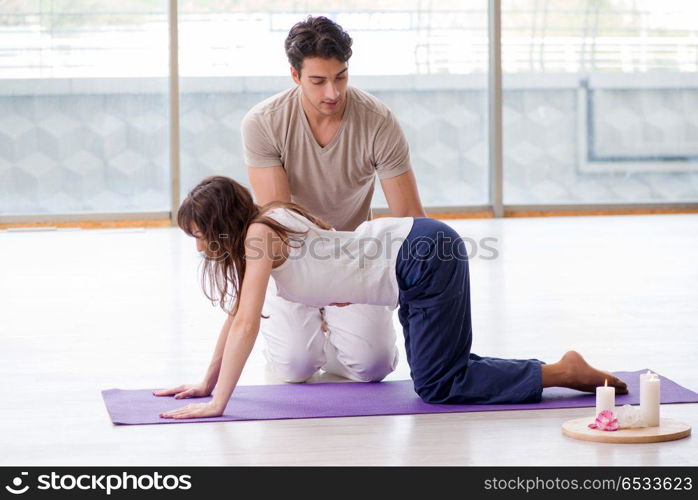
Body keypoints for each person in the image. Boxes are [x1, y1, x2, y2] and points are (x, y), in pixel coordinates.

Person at [156, 176, 628, 419]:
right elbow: (240, 312)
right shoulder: (269, 221)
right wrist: (205, 381)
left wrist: (220, 401)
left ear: (221, 224)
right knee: (441, 373)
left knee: (439, 385)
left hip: (421, 256)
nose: (199, 245)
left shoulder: (261, 231)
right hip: (418, 253)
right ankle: (555, 368)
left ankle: (563, 371)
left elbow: (246, 324)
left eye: (199, 234)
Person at [240, 15, 427, 384]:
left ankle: (331, 334)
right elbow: (284, 222)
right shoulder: (262, 123)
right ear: (295, 76)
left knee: (372, 366)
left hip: (355, 255)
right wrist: (324, 281)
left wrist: (351, 278)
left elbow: (409, 216)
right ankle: (307, 336)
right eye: (318, 81)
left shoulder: (378, 122)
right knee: (295, 367)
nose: (332, 92)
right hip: (293, 256)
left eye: (340, 76)